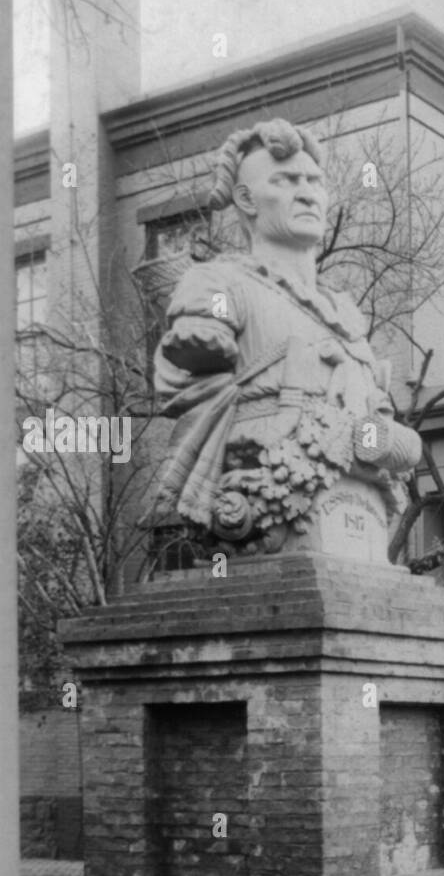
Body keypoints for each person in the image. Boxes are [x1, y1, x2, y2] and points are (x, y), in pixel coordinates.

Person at [142, 119, 421, 556]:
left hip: (355, 511)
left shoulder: (344, 313)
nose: (308, 192)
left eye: (315, 181)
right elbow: (198, 337)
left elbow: (383, 426)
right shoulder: (220, 283)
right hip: (267, 513)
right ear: (246, 199)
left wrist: (368, 438)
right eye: (287, 181)